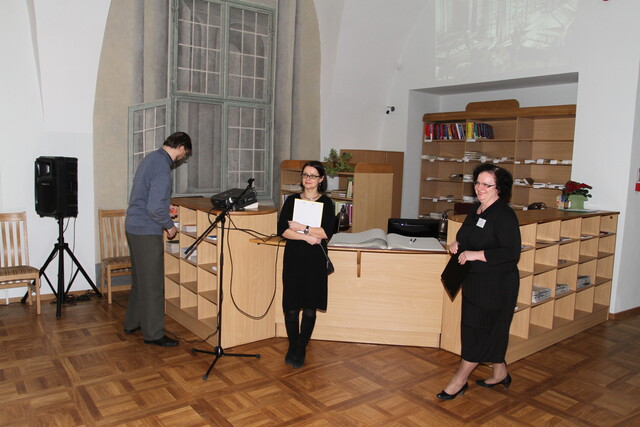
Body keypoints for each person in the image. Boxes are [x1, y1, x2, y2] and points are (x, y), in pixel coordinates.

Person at [437, 163, 521, 400]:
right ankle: (500, 372)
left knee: (481, 330)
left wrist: (476, 254)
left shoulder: (505, 215)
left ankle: (459, 380)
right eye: (477, 183)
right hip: (474, 280)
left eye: (487, 184)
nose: (479, 188)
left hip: (497, 284)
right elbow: (466, 236)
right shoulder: (476, 209)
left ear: (499, 189)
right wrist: (457, 244)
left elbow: (511, 252)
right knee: (479, 328)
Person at [123, 131, 192, 347]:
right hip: (146, 230)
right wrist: (169, 226)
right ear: (182, 148)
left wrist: (164, 207)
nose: (183, 157)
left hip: (133, 226)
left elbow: (148, 198)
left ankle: (132, 322)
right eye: (185, 154)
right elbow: (153, 208)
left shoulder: (151, 158)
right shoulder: (162, 166)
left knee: (140, 281)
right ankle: (153, 334)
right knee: (152, 284)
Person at [277, 160, 335, 368]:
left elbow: (326, 232)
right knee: (291, 307)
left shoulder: (327, 203)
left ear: (321, 179)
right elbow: (283, 230)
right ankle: (293, 346)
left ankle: (301, 348)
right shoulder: (291, 200)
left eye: (312, 175)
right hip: (294, 257)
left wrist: (303, 227)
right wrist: (307, 237)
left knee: (310, 307)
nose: (308, 179)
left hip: (315, 260)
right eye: (305, 175)